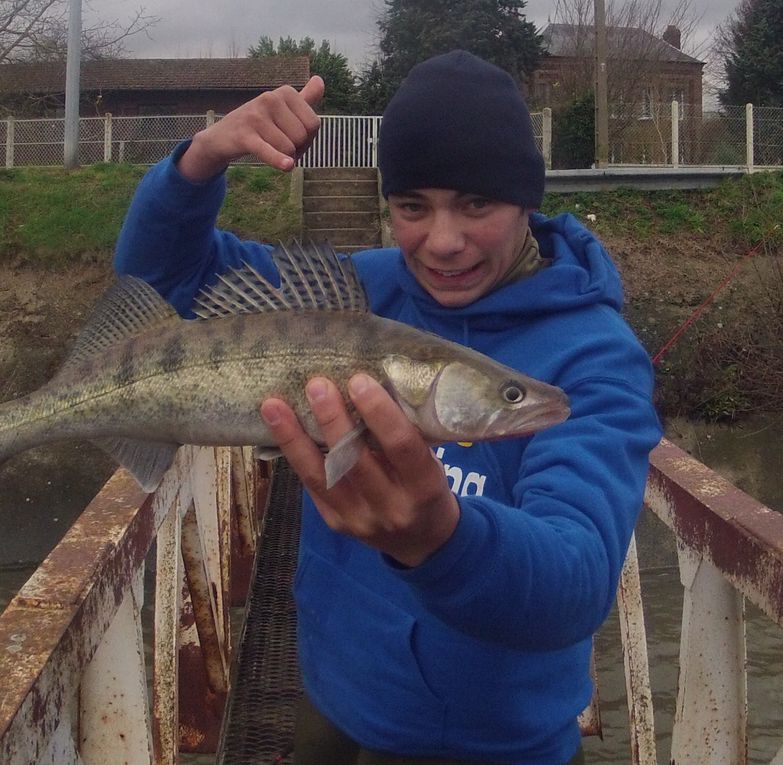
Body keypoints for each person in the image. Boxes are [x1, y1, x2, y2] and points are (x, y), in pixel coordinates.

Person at [114, 50, 662, 765]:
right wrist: (199, 163)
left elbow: (577, 577)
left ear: (526, 199)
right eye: (412, 207)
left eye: (476, 204)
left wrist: (443, 539)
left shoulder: (593, 356)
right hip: (331, 691)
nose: (441, 241)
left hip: (482, 744)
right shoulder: (358, 291)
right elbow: (165, 280)